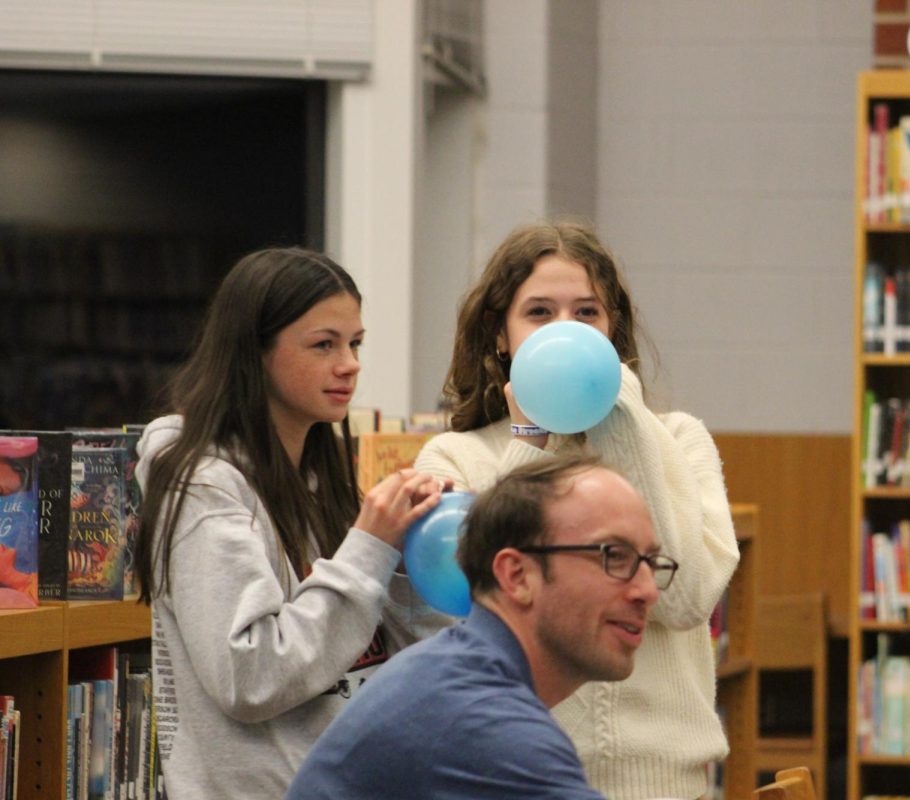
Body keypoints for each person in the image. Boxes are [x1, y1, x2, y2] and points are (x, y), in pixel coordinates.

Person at [414, 221, 741, 800]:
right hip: (520, 780)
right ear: (501, 336)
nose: (564, 331)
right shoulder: (456, 456)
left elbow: (686, 599)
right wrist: (527, 437)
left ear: (612, 333)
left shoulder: (677, 440)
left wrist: (626, 421)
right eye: (539, 313)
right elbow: (494, 604)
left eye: (586, 314)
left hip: (667, 786)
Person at [133, 247, 447, 799]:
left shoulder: (327, 476)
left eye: (355, 343)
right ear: (254, 354)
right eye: (324, 344)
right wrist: (370, 549)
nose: (349, 364)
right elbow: (248, 677)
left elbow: (415, 662)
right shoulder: (203, 485)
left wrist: (414, 557)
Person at [287, 454, 674, 799]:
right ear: (517, 575)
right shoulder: (481, 719)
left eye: (651, 563)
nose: (646, 592)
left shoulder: (457, 670)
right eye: (615, 556)